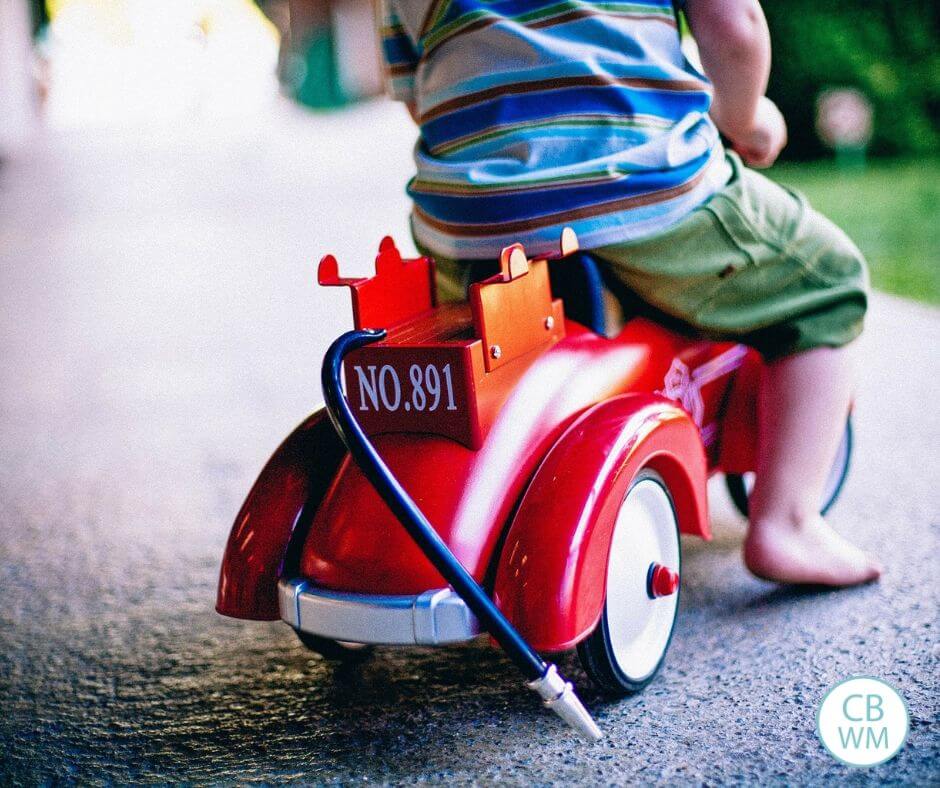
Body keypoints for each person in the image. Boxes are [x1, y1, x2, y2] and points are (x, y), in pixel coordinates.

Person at [376, 0, 881, 586]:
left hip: (468, 223)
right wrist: (747, 119)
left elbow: (418, 95)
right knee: (829, 281)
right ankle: (788, 521)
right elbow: (735, 23)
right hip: (639, 186)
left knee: (481, 356)